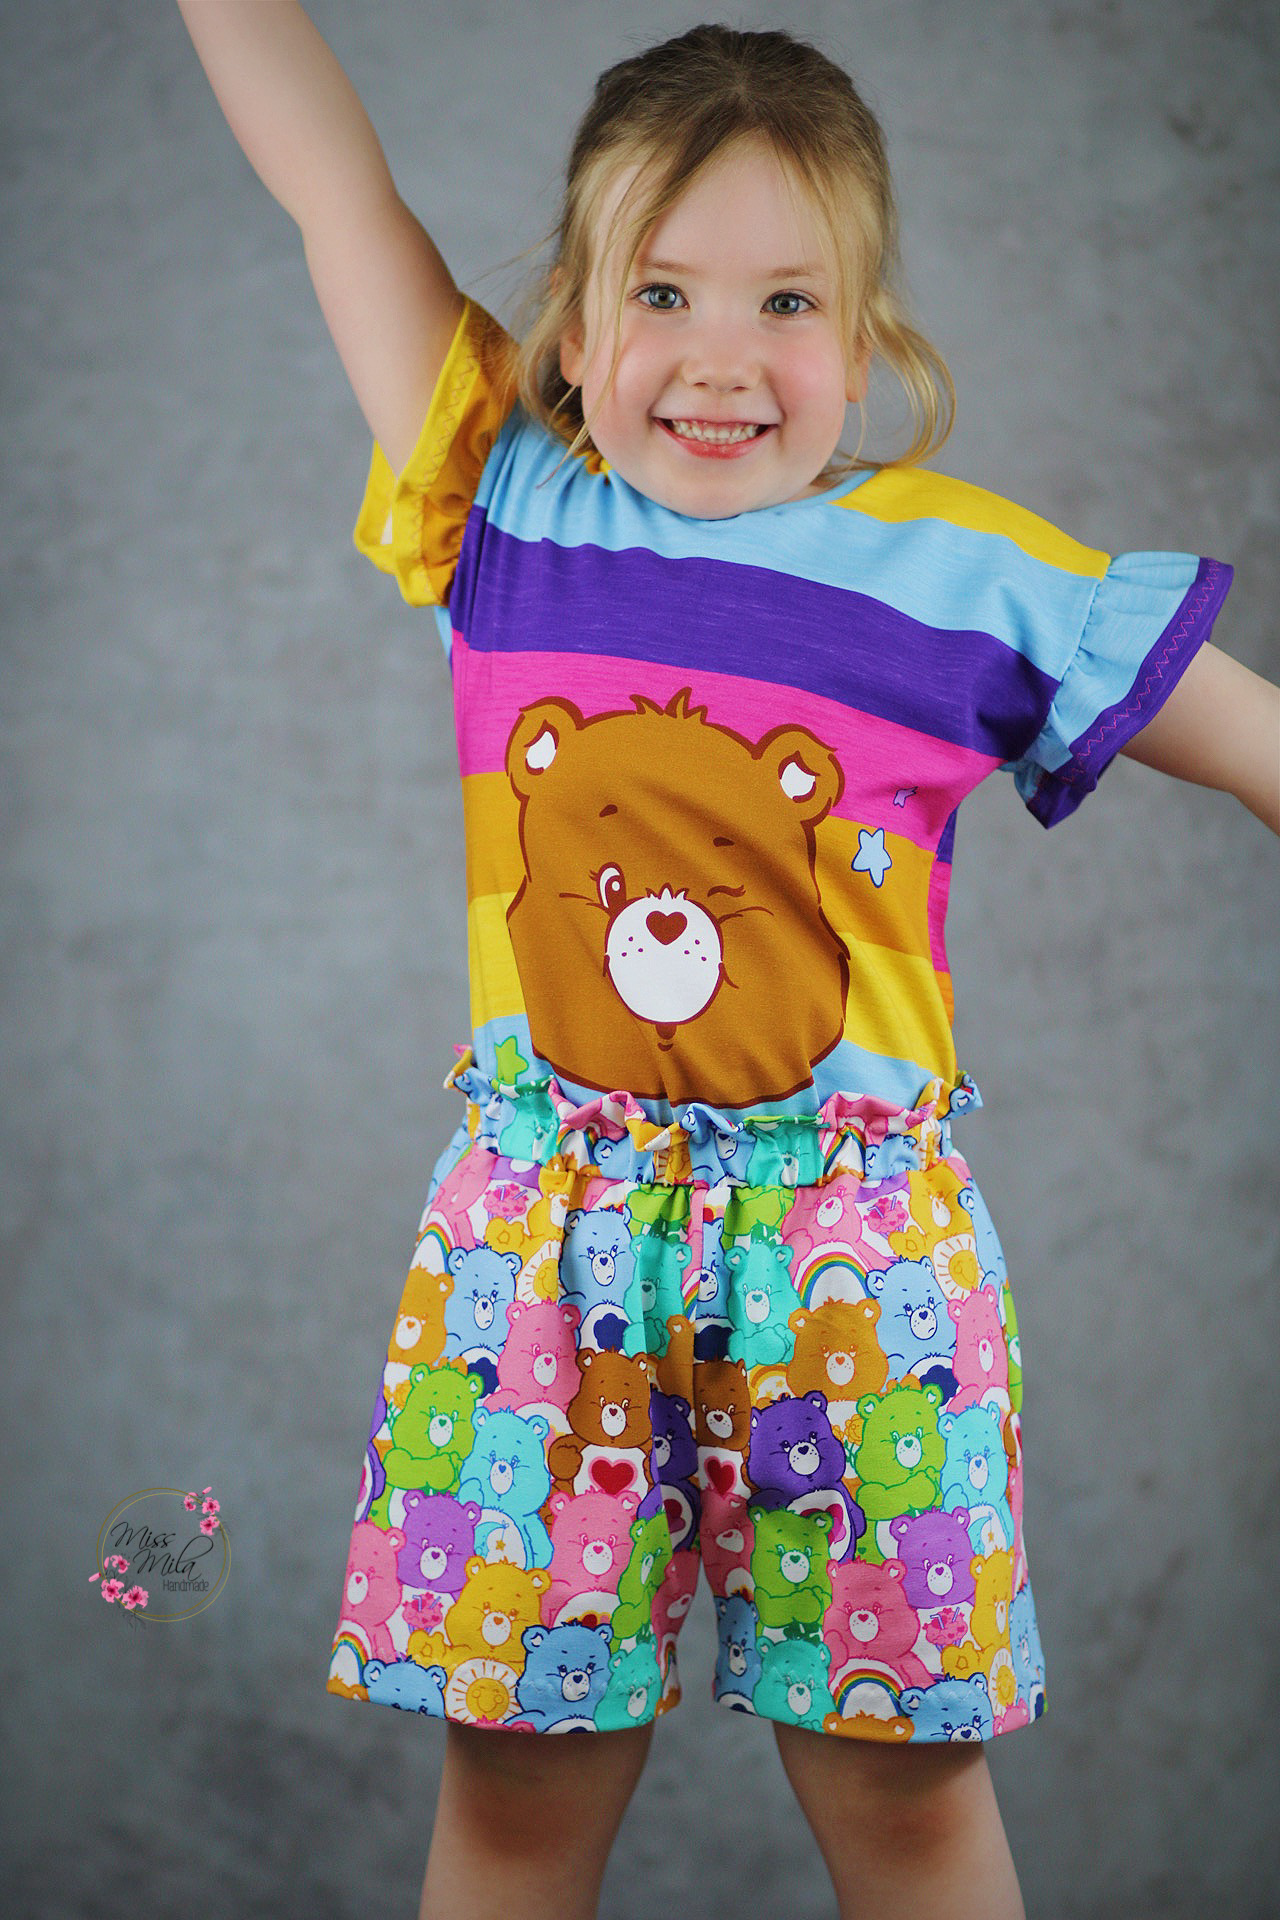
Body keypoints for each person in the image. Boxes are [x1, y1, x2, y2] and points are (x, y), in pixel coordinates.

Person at [177, 8, 1279, 1919]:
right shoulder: (499, 498)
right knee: (514, 1801)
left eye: (788, 302)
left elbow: (1264, 747)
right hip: (540, 1269)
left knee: (909, 1805)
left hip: (859, 1284)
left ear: (867, 334)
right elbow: (334, 191)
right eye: (662, 292)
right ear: (571, 324)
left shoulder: (976, 582)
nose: (719, 358)